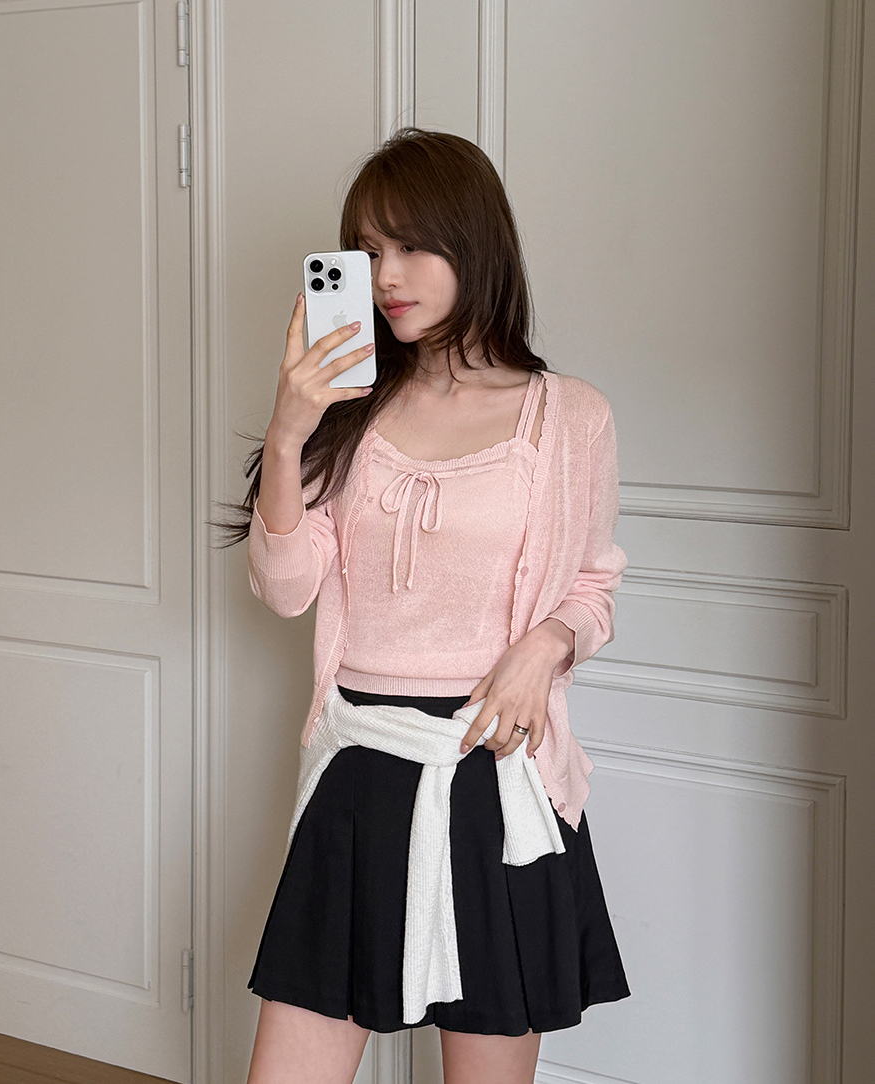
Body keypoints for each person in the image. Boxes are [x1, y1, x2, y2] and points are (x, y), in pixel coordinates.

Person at [224, 128, 631, 1084]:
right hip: (359, 773)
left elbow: (593, 583)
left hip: (492, 772)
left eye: (410, 245)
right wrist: (287, 433)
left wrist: (547, 643)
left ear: (472, 241)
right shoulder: (351, 409)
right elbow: (285, 589)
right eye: (368, 251)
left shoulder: (568, 416)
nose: (386, 276)